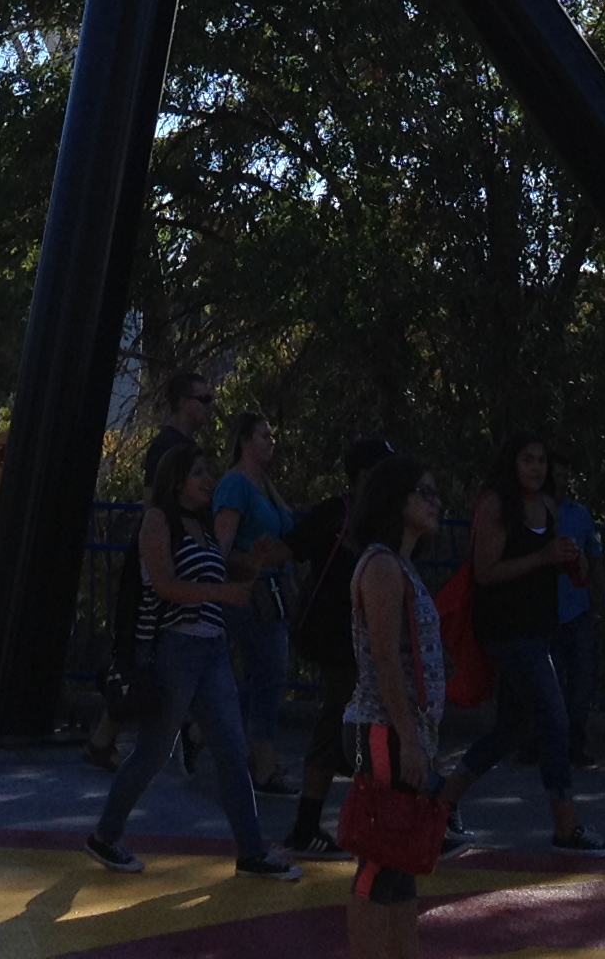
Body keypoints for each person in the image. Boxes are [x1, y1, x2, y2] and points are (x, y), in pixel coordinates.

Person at [84, 441, 301, 883]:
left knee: (231, 750)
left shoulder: (203, 525)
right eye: (199, 473)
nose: (208, 481)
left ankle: (252, 851)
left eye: (208, 472)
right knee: (154, 751)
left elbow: (226, 574)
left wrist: (255, 561)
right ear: (177, 479)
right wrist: (223, 593)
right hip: (173, 648)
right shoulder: (158, 521)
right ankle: (106, 835)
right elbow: (165, 585)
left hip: (211, 648)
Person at [446, 436, 605, 856]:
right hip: (506, 630)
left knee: (509, 728)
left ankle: (441, 802)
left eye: (542, 461)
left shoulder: (548, 505)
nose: (536, 468)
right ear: (512, 463)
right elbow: (485, 571)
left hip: (540, 627)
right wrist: (542, 558)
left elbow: (549, 562)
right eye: (527, 459)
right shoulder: (496, 504)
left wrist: (571, 561)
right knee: (555, 721)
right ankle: (566, 826)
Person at [86, 368, 216, 770]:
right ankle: (162, 735)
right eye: (203, 399)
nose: (209, 406)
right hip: (162, 566)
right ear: (182, 402)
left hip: (174, 562)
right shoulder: (168, 448)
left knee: (158, 653)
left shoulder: (182, 447)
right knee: (147, 653)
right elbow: (152, 504)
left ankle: (111, 738)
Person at [344, 452, 447, 954]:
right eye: (424, 493)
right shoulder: (383, 565)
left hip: (402, 728)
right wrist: (408, 738)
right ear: (396, 499)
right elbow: (384, 659)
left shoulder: (402, 565)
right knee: (381, 857)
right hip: (383, 727)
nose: (436, 503)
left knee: (401, 858)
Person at [281, 433, 394, 857]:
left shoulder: (381, 518)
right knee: (340, 724)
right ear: (364, 476)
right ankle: (308, 826)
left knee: (355, 725)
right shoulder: (339, 514)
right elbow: (290, 546)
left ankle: (327, 820)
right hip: (337, 639)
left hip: (361, 637)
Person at [211, 409, 299, 794]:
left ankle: (204, 727)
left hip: (275, 589)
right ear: (246, 441)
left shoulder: (265, 484)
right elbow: (222, 545)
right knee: (270, 674)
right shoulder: (235, 486)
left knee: (265, 676)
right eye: (264, 436)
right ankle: (263, 761)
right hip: (250, 592)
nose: (271, 442)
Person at [548, 450, 601, 766]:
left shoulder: (580, 514)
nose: (562, 481)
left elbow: (594, 555)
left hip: (577, 606)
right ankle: (545, 741)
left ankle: (576, 741)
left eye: (566, 476)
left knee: (581, 677)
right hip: (544, 609)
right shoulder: (533, 512)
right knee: (549, 680)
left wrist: (601, 595)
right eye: (557, 474)